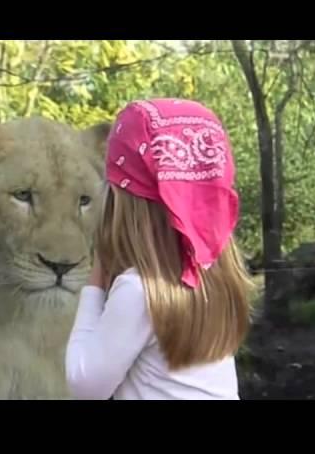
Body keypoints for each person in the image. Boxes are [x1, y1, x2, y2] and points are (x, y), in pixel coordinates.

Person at [65, 98, 256, 400]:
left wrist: (96, 281)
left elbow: (84, 384)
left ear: (125, 200)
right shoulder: (214, 278)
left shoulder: (139, 291)